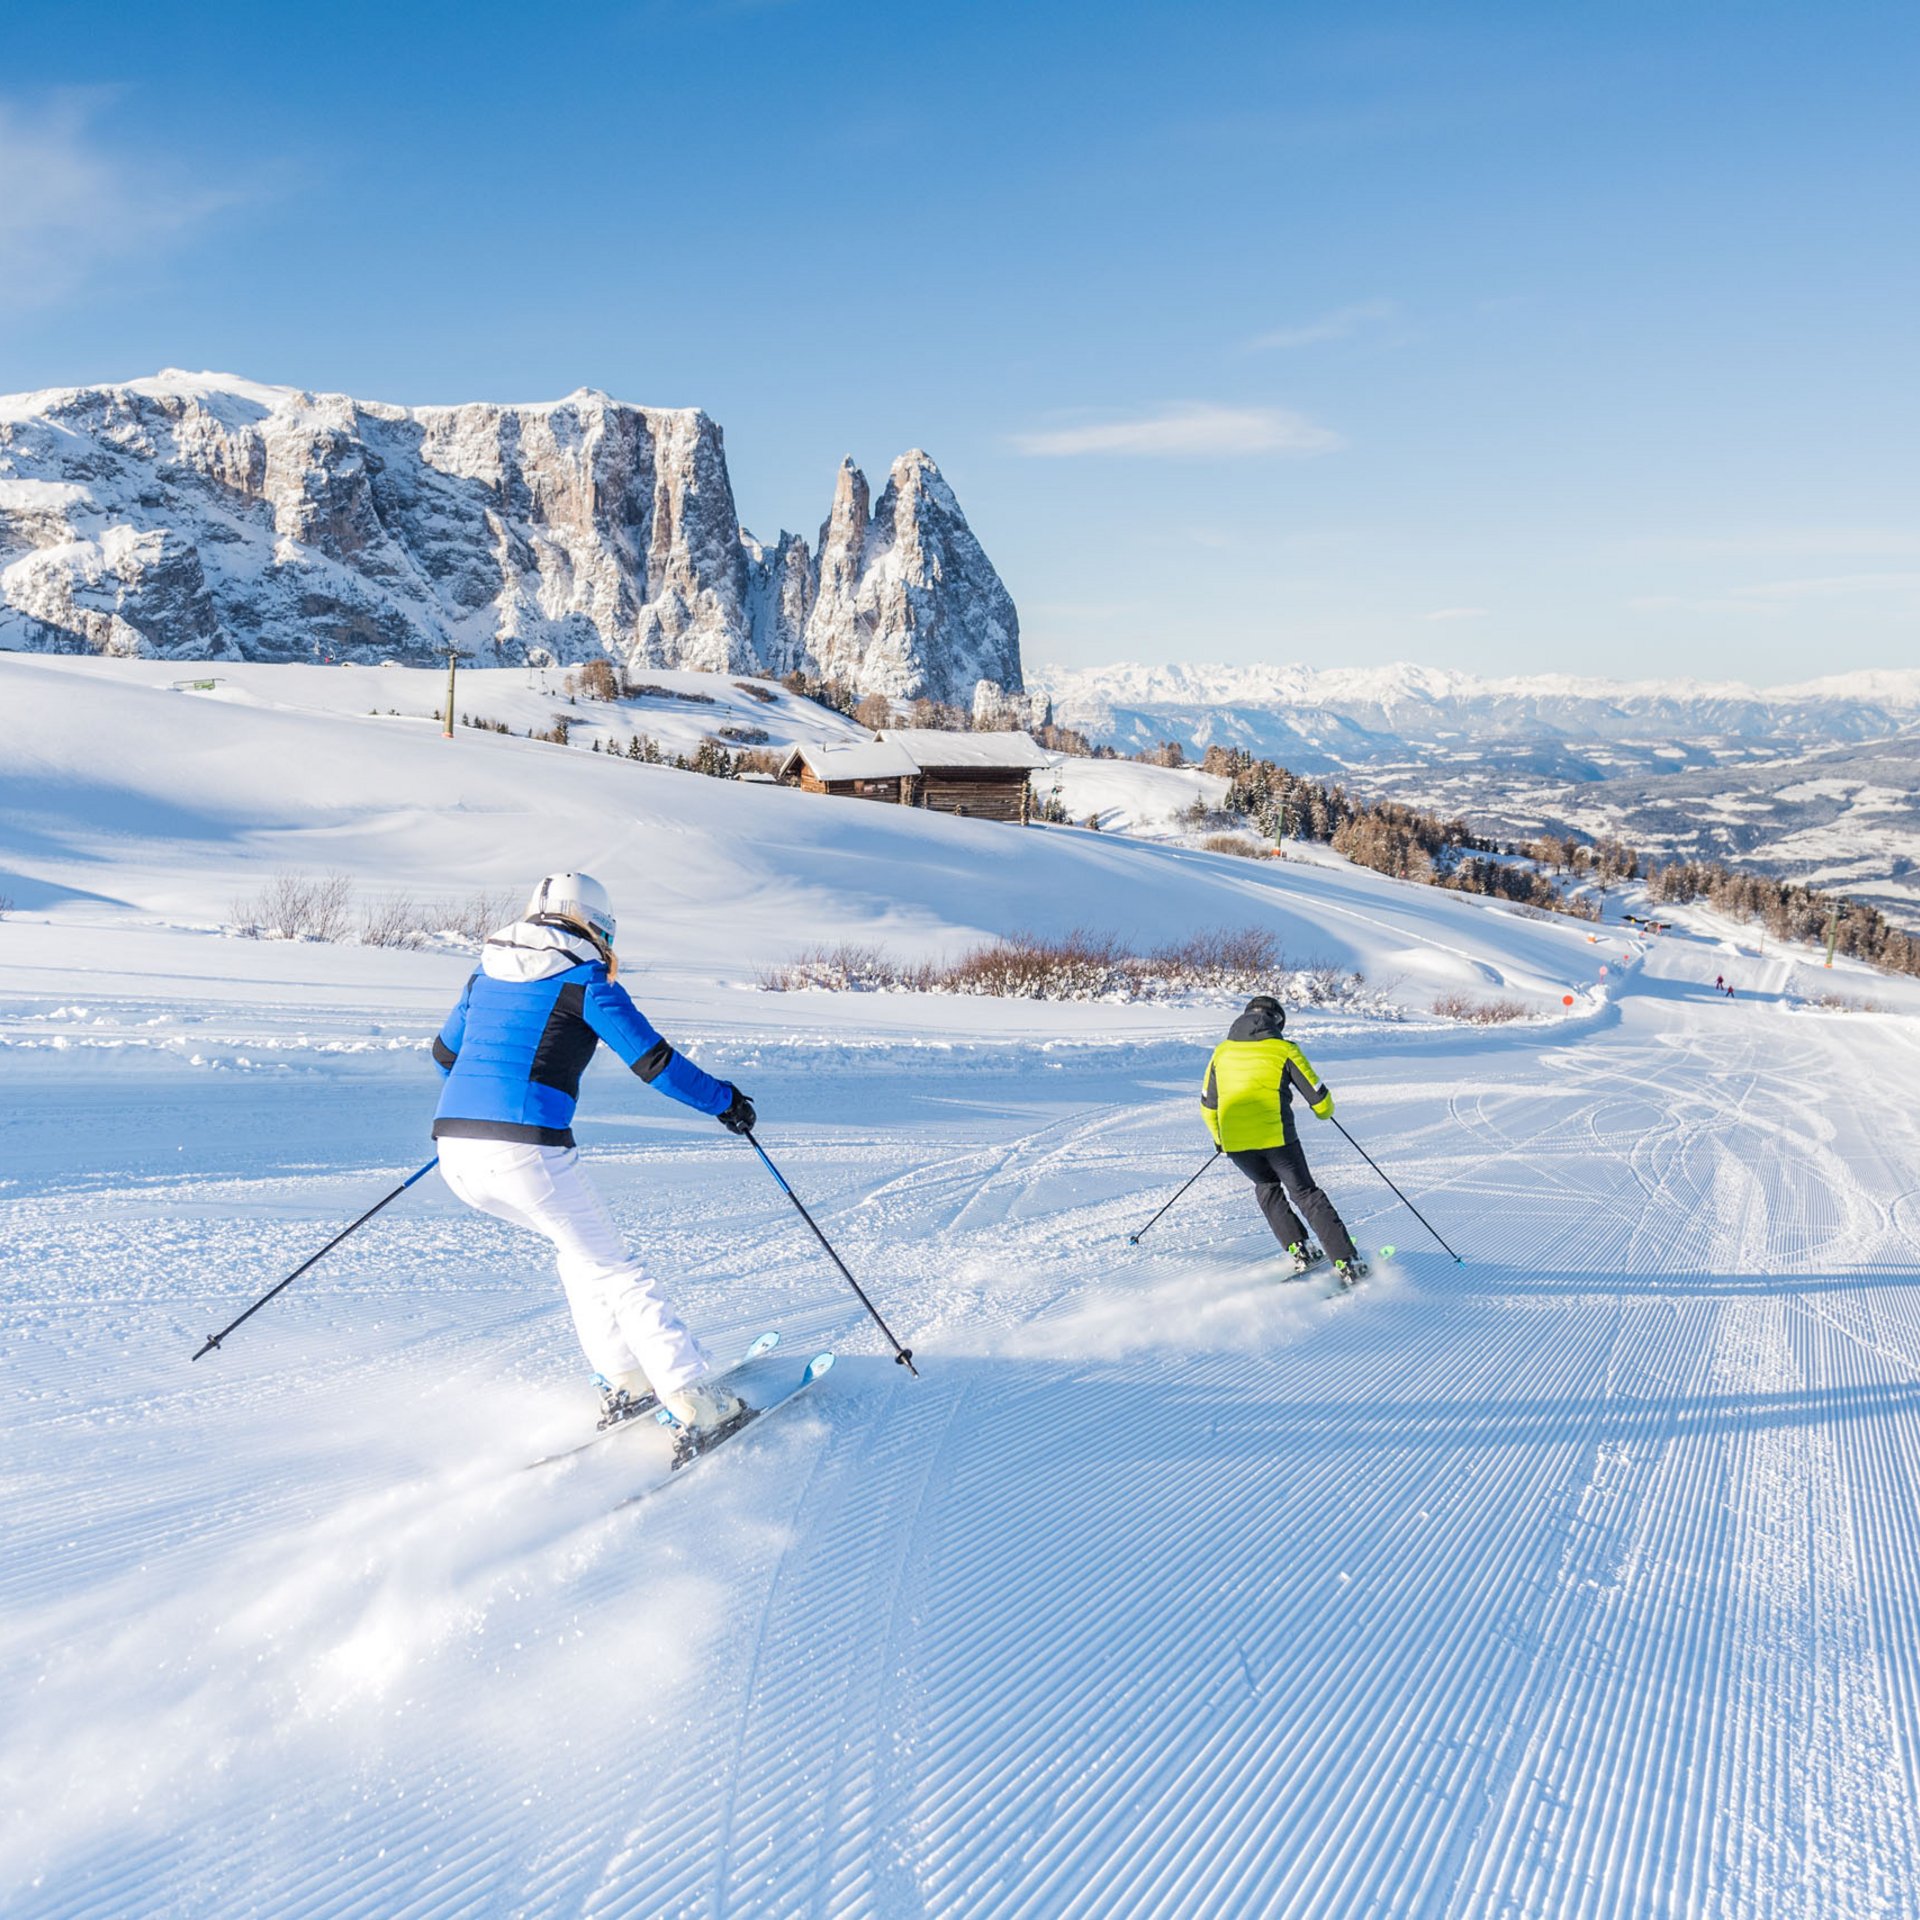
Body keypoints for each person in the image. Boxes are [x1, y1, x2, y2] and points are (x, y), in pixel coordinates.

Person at [430, 871, 757, 1438]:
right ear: (597, 929)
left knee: (580, 1255)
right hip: (524, 1154)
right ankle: (693, 1395)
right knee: (618, 1270)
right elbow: (655, 1062)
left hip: (455, 1150)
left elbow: (444, 1055)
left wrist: (482, 1114)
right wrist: (725, 1101)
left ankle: (626, 1377)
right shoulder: (584, 981)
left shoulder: (483, 975)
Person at [1201, 994, 1366, 1282]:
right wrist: (1324, 1109)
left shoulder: (1221, 1053)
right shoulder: (1284, 1049)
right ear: (1277, 1022)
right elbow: (1320, 1102)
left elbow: (1207, 1106)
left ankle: (1300, 1250)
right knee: (1305, 1194)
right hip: (1277, 1139)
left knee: (1266, 1187)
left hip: (1236, 1143)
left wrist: (1220, 1140)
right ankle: (1347, 1262)